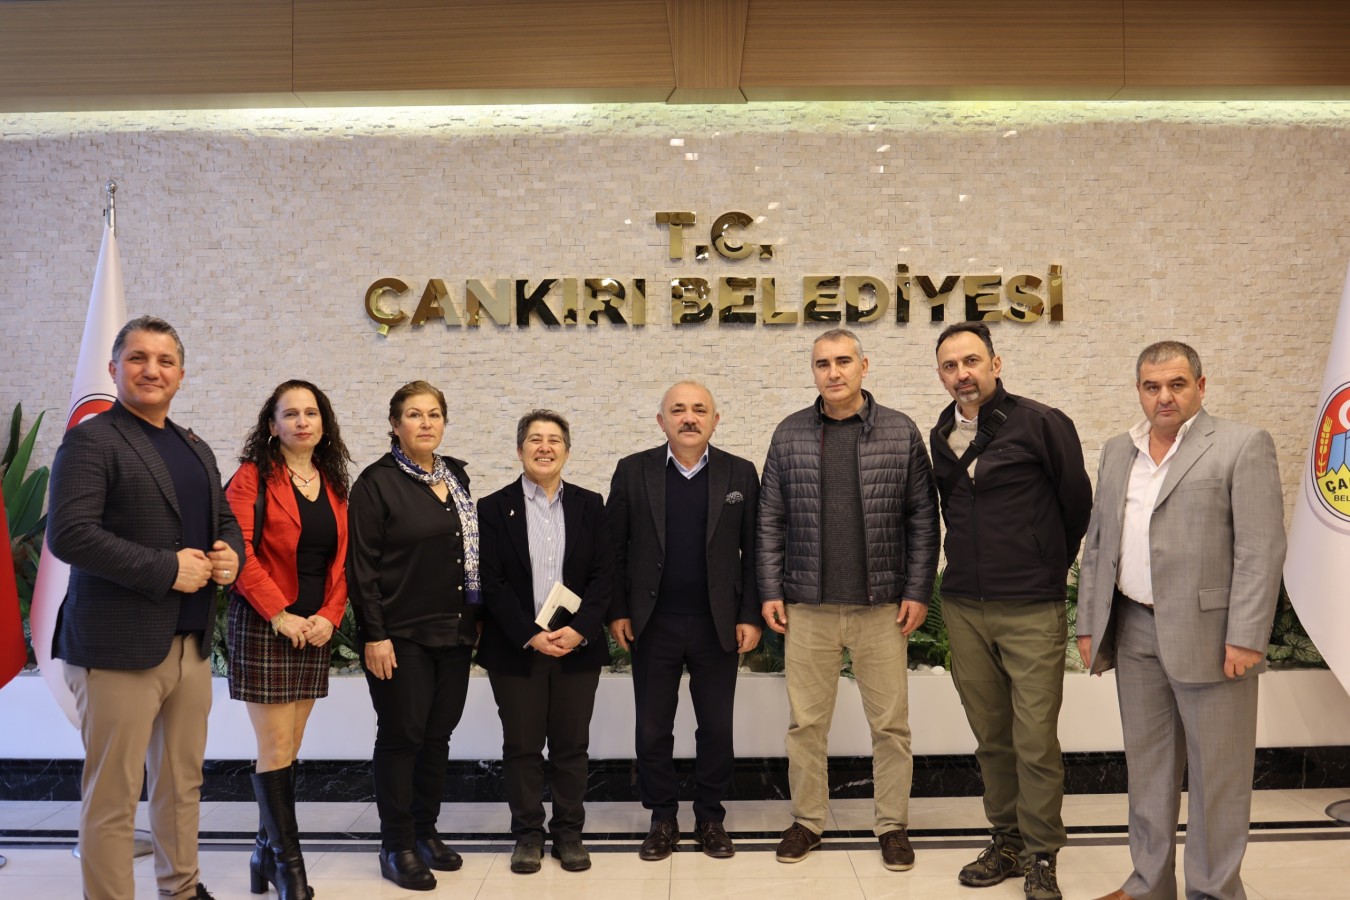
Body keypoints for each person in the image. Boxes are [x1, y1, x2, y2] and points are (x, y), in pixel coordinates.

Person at [1077, 341, 1286, 900]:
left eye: (1176, 384)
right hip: (1134, 629)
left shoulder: (1242, 444)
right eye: (1152, 387)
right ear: (1139, 391)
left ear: (1200, 385)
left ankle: (1213, 891)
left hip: (1213, 638)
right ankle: (1148, 885)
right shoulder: (1118, 451)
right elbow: (1099, 542)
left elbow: (1261, 548)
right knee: (1148, 771)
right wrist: (1089, 621)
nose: (1164, 397)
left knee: (1218, 777)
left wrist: (1247, 635)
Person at [48, 315, 243, 900]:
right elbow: (70, 534)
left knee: (182, 785)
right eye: (138, 358)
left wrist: (230, 553)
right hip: (116, 648)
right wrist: (166, 568)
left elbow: (224, 521)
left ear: (181, 375)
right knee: (113, 796)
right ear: (113, 368)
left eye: (164, 361)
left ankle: (180, 889)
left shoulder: (194, 446)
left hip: (189, 647)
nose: (151, 370)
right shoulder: (92, 439)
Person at [757, 327, 940, 871]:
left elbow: (923, 517)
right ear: (813, 371)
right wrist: (770, 589)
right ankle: (808, 821)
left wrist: (917, 589)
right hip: (807, 606)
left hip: (881, 608)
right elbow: (770, 519)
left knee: (890, 726)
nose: (833, 372)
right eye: (822, 364)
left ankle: (892, 826)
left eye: (843, 361)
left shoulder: (900, 431)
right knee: (806, 725)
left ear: (865, 365)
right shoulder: (789, 433)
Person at [928, 322, 1092, 900]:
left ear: (996, 364)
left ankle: (1042, 853)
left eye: (971, 361)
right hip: (964, 605)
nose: (962, 374)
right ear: (941, 375)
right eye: (950, 366)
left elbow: (1077, 505)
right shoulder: (940, 432)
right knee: (991, 737)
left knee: (1035, 738)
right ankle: (1007, 841)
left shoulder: (1043, 423)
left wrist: (1044, 565)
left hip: (1030, 605)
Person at [607, 381, 762, 861]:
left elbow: (755, 551)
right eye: (678, 410)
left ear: (715, 420)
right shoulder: (633, 471)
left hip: (719, 623)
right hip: (653, 623)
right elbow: (613, 549)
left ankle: (711, 817)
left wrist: (750, 615)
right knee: (653, 728)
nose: (689, 417)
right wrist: (617, 610)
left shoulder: (740, 472)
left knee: (715, 727)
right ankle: (662, 818)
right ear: (662, 421)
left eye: (699, 409)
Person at [346, 380, 479, 892]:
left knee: (437, 736)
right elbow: (362, 568)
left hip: (455, 631)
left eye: (434, 414)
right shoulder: (376, 484)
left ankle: (425, 832)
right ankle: (396, 844)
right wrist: (374, 635)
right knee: (402, 737)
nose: (426, 423)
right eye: (414, 414)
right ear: (395, 424)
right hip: (399, 635)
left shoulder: (456, 476)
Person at [225, 379, 354, 899]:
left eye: (311, 412)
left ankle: (263, 853)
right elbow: (238, 552)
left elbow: (343, 562)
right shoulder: (252, 477)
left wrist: (329, 616)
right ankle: (289, 867)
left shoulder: (334, 482)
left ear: (324, 424)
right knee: (275, 745)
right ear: (272, 424)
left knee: (291, 744)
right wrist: (279, 615)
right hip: (265, 625)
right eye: (291, 413)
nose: (303, 421)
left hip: (313, 629)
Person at [477, 409, 615, 875]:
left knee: (571, 746)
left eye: (554, 440)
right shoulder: (493, 508)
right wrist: (530, 635)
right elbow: (491, 581)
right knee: (522, 747)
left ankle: (569, 834)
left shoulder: (590, 505)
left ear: (567, 452)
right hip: (517, 649)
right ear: (520, 450)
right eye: (535, 439)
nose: (545, 447)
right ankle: (528, 835)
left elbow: (604, 575)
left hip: (577, 647)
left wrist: (581, 629)